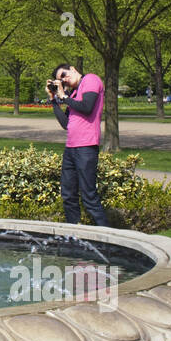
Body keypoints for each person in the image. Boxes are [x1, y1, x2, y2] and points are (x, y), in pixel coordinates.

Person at [47, 64, 109, 226]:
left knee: (89, 196)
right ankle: (74, 235)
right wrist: (54, 100)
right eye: (61, 80)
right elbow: (66, 123)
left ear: (73, 69)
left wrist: (65, 97)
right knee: (68, 195)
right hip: (71, 148)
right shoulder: (73, 93)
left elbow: (87, 107)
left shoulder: (91, 79)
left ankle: (109, 238)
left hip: (86, 147)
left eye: (65, 75)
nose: (65, 80)